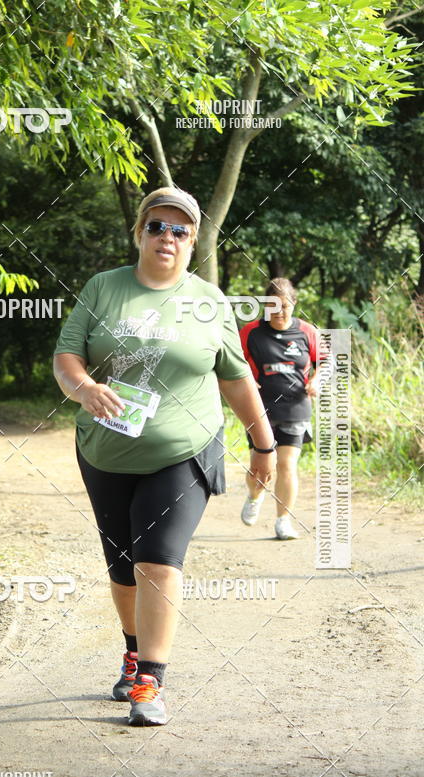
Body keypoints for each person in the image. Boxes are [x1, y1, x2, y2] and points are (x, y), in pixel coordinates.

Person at [53, 187, 276, 726]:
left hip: (185, 449)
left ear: (193, 240)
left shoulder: (209, 300)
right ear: (140, 232)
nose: (168, 238)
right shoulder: (103, 289)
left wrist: (263, 444)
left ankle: (150, 681)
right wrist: (83, 389)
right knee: (123, 568)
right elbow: (66, 357)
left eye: (181, 230)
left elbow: (235, 377)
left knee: (157, 560)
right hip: (105, 449)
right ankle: (133, 651)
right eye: (158, 226)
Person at [239, 278, 325, 540]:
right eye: (273, 307)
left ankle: (283, 521)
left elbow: (326, 362)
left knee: (287, 465)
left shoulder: (308, 332)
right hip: (260, 409)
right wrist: (247, 379)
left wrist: (317, 380)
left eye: (284, 307)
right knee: (262, 468)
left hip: (296, 407)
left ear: (294, 304)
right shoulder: (251, 332)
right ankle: (254, 496)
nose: (279, 313)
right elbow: (234, 362)